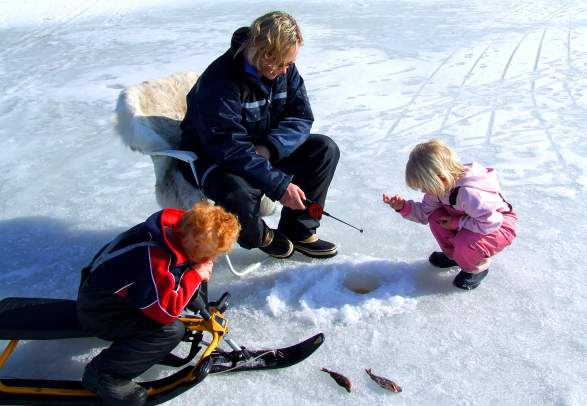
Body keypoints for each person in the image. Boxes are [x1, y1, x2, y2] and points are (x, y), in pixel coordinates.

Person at [179, 11, 340, 259]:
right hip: (216, 160)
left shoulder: (284, 72)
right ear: (265, 54)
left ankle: (299, 229)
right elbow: (228, 147)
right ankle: (261, 235)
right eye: (283, 63)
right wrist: (279, 184)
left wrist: (270, 148)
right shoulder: (219, 82)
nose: (287, 70)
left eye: (290, 63)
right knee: (241, 196)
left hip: (259, 149)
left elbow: (301, 117)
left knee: (324, 149)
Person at [77, 202, 240, 405]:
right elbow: (166, 311)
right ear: (192, 242)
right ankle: (104, 375)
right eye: (209, 254)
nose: (211, 260)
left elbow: (180, 269)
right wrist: (195, 275)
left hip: (110, 292)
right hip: (101, 311)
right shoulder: (156, 260)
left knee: (192, 273)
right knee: (169, 330)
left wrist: (195, 274)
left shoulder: (180, 228)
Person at [382, 139, 517, 290]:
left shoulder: (469, 194)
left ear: (441, 178)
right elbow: (424, 213)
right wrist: (403, 207)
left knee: (465, 242)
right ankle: (456, 256)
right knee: (435, 217)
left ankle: (477, 267)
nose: (423, 191)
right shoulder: (440, 189)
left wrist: (457, 223)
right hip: (473, 220)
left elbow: (491, 222)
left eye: (424, 186)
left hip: (498, 227)